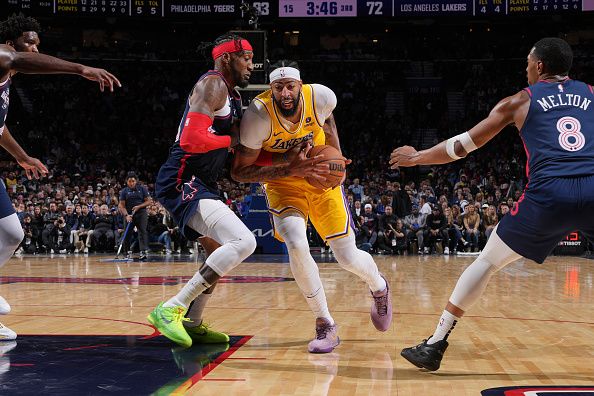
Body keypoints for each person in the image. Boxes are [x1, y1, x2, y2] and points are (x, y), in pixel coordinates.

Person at [390, 38, 594, 371]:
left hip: (549, 193)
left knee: (487, 261)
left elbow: (463, 146)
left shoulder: (518, 102)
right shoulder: (591, 94)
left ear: (539, 66)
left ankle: (435, 344)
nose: (525, 68)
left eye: (528, 62)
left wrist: (418, 157)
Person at [233, 60, 392, 353]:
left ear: (301, 85)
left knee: (347, 257)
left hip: (320, 177)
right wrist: (289, 169)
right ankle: (325, 322)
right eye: (278, 88)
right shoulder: (257, 116)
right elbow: (240, 172)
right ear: (271, 89)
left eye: (290, 86)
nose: (285, 93)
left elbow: (328, 120)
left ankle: (379, 287)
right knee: (295, 243)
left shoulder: (320, 97)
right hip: (284, 183)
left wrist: (338, 156)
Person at [0, 13, 120, 339]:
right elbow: (14, 58)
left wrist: (22, 157)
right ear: (12, 43)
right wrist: (81, 69)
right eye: (30, 42)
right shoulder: (1, 56)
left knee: (11, 233)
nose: (36, 48)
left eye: (39, 42)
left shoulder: (6, 80)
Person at [148, 33, 257, 348]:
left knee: (216, 252)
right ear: (226, 58)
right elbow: (191, 141)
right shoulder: (212, 85)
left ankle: (193, 323)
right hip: (183, 178)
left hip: (202, 181)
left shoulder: (232, 95)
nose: (251, 65)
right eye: (246, 58)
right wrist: (231, 141)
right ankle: (171, 308)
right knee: (244, 241)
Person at [118, 173, 151, 260]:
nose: (131, 183)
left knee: (142, 231)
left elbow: (148, 201)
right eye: (129, 181)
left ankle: (143, 252)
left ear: (136, 181)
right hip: (129, 214)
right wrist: (126, 215)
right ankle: (127, 252)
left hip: (141, 213)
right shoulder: (124, 191)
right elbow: (122, 205)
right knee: (127, 232)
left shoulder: (142, 189)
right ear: (127, 182)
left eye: (133, 181)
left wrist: (139, 206)